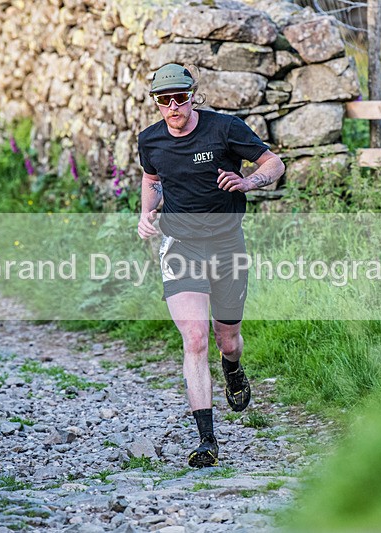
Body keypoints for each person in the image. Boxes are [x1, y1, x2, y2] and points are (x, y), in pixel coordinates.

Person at [136, 63, 285, 467]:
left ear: (192, 95)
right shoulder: (149, 140)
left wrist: (248, 182)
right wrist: (146, 213)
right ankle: (206, 441)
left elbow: (274, 164)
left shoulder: (224, 129)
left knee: (226, 338)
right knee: (195, 339)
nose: (172, 107)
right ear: (156, 103)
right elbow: (152, 179)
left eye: (179, 98)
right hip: (181, 245)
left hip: (227, 245)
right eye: (163, 100)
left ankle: (232, 369)